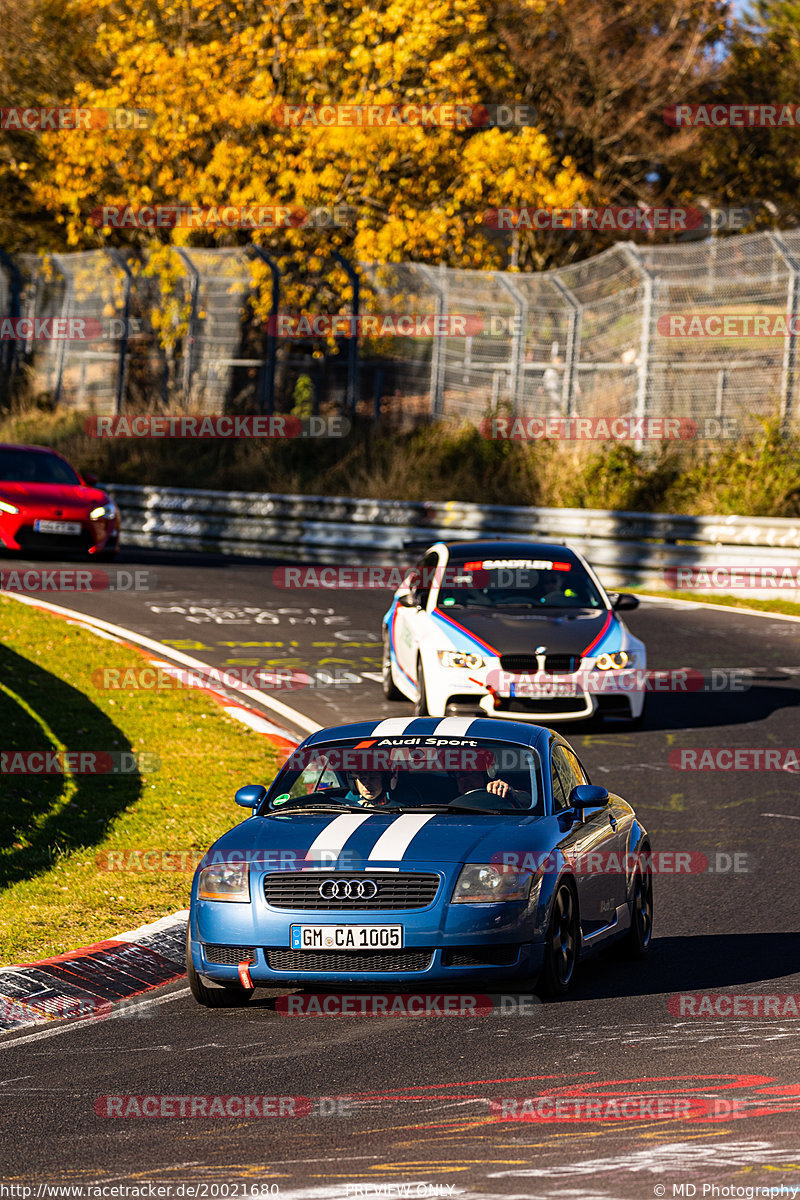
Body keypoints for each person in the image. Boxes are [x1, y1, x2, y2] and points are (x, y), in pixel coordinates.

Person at [452, 769, 530, 807]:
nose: (464, 780)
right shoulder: (445, 804)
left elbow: (529, 801)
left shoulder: (497, 791)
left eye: (469, 773)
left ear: (482, 774)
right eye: (459, 776)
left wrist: (512, 793)